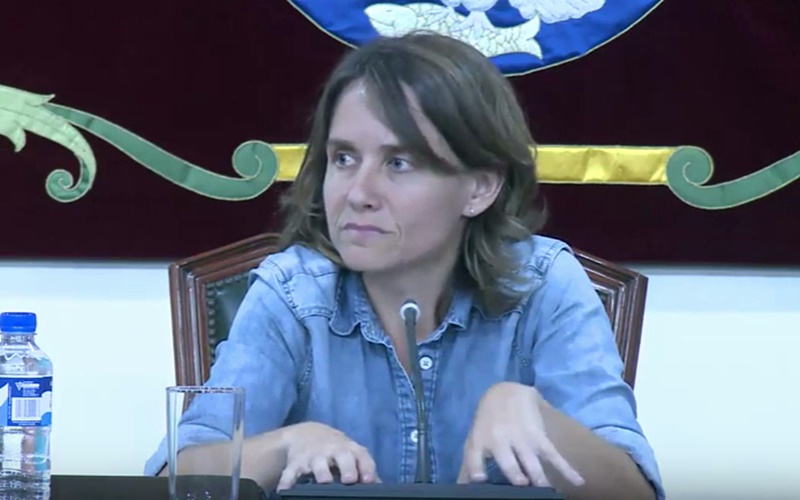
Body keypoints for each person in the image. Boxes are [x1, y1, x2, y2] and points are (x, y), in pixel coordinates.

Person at [144, 31, 664, 499]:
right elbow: (174, 479)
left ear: (480, 187)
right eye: (344, 158)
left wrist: (542, 421)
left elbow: (636, 493)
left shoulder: (544, 285)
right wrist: (284, 446)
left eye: (399, 162)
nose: (358, 193)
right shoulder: (292, 294)